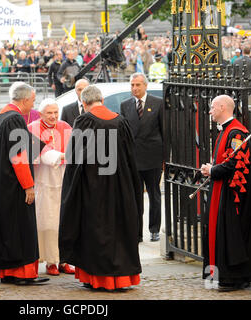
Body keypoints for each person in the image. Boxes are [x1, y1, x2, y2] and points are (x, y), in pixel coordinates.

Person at [59, 85, 142, 291]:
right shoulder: (121, 121)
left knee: (95, 229)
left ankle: (96, 277)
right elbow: (132, 157)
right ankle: (121, 278)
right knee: (119, 228)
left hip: (92, 186)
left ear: (84, 103)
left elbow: (74, 156)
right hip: (120, 185)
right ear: (102, 100)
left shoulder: (84, 120)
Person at [0, 83, 49, 285]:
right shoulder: (16, 118)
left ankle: (6, 272)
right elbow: (18, 155)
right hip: (13, 185)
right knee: (19, 228)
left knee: (5, 228)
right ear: (24, 100)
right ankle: (21, 273)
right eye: (33, 101)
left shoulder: (0, 116)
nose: (33, 105)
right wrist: (28, 185)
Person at [200, 95, 251, 292]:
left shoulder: (237, 133)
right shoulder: (228, 131)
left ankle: (233, 278)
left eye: (213, 107)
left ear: (222, 107)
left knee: (231, 237)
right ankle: (220, 275)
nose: (210, 111)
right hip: (222, 191)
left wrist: (212, 170)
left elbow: (235, 165)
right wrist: (213, 168)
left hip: (233, 196)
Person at [27, 98, 74, 276]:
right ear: (40, 114)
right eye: (49, 113)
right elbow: (33, 154)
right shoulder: (32, 128)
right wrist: (57, 156)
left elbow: (73, 150)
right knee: (47, 221)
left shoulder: (65, 126)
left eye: (55, 112)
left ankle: (64, 259)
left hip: (63, 178)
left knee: (64, 220)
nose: (53, 116)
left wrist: (64, 157)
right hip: (43, 181)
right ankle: (50, 261)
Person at [120, 72, 163, 242]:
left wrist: (165, 159)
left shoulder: (157, 103)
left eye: (138, 85)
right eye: (132, 85)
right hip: (133, 159)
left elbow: (164, 131)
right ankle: (136, 231)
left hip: (153, 158)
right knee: (135, 197)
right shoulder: (125, 105)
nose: (135, 88)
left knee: (154, 195)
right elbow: (123, 134)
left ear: (145, 85)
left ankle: (154, 229)